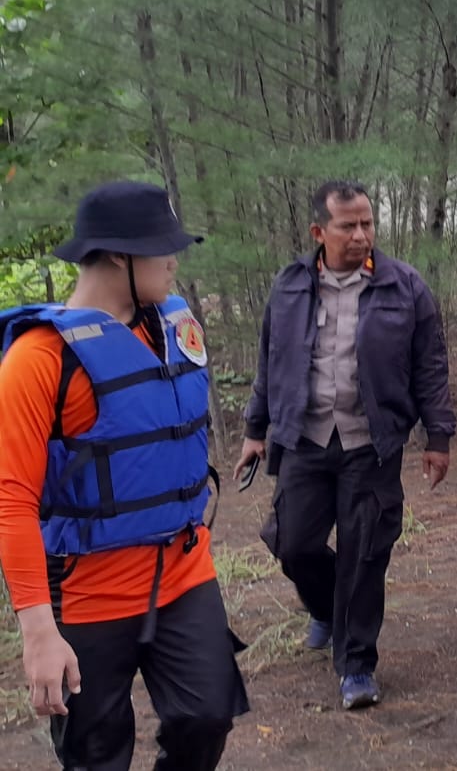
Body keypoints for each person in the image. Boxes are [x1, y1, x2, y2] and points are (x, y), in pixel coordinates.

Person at [0, 181, 248, 769]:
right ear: (116, 255)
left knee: (207, 716)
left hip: (183, 570)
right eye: (162, 247)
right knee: (96, 755)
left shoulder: (173, 326)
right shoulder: (39, 361)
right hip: (87, 593)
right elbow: (11, 501)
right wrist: (37, 631)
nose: (173, 259)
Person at [233, 180, 456, 711]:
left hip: (369, 443)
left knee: (364, 552)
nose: (361, 235)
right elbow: (272, 361)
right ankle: (328, 608)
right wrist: (254, 430)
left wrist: (438, 435)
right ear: (319, 231)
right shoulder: (289, 286)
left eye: (367, 224)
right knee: (292, 543)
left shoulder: (405, 286)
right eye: (348, 226)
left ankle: (356, 664)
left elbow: (430, 364)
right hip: (304, 439)